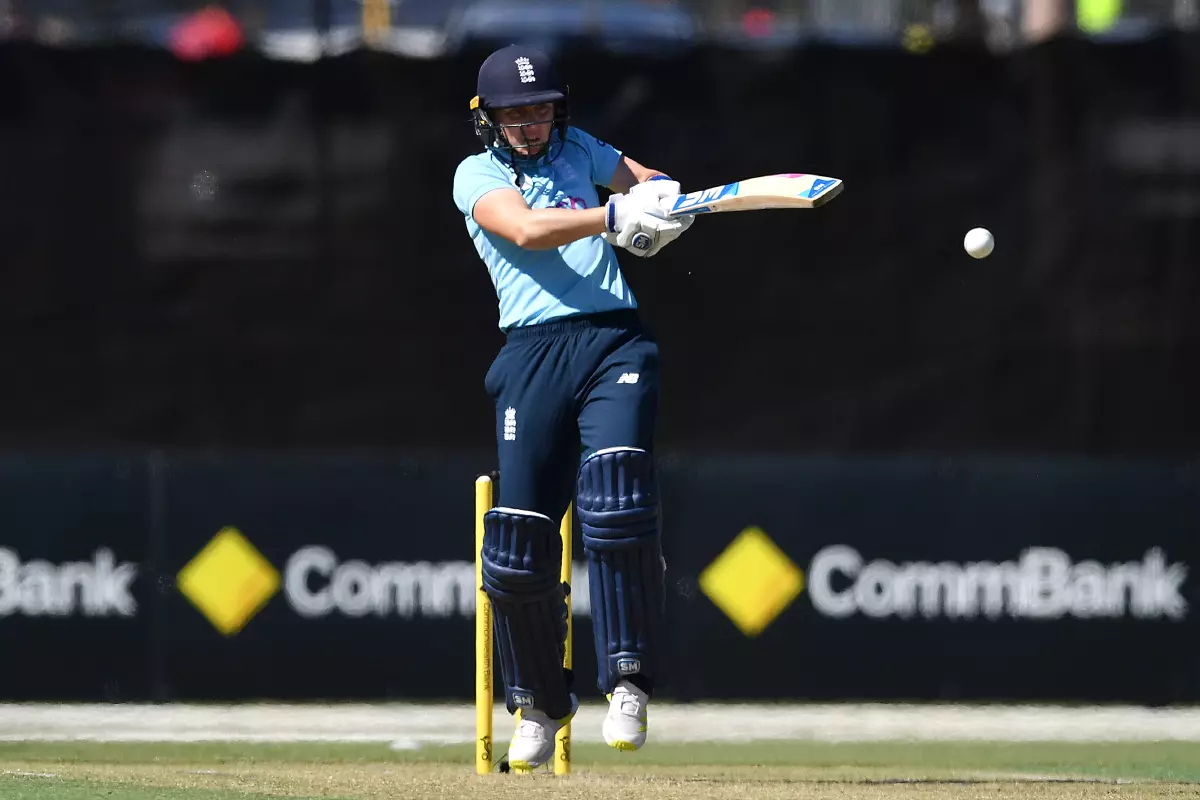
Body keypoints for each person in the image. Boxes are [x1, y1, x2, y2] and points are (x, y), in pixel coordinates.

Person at [452, 44, 693, 769]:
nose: (530, 124)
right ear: (488, 119)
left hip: (613, 342)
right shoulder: (478, 175)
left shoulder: (580, 148)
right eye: (514, 113)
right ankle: (539, 703)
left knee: (616, 500)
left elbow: (649, 184)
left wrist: (663, 205)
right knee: (517, 548)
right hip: (530, 356)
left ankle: (627, 682)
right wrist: (614, 216)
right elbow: (524, 229)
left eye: (540, 108)